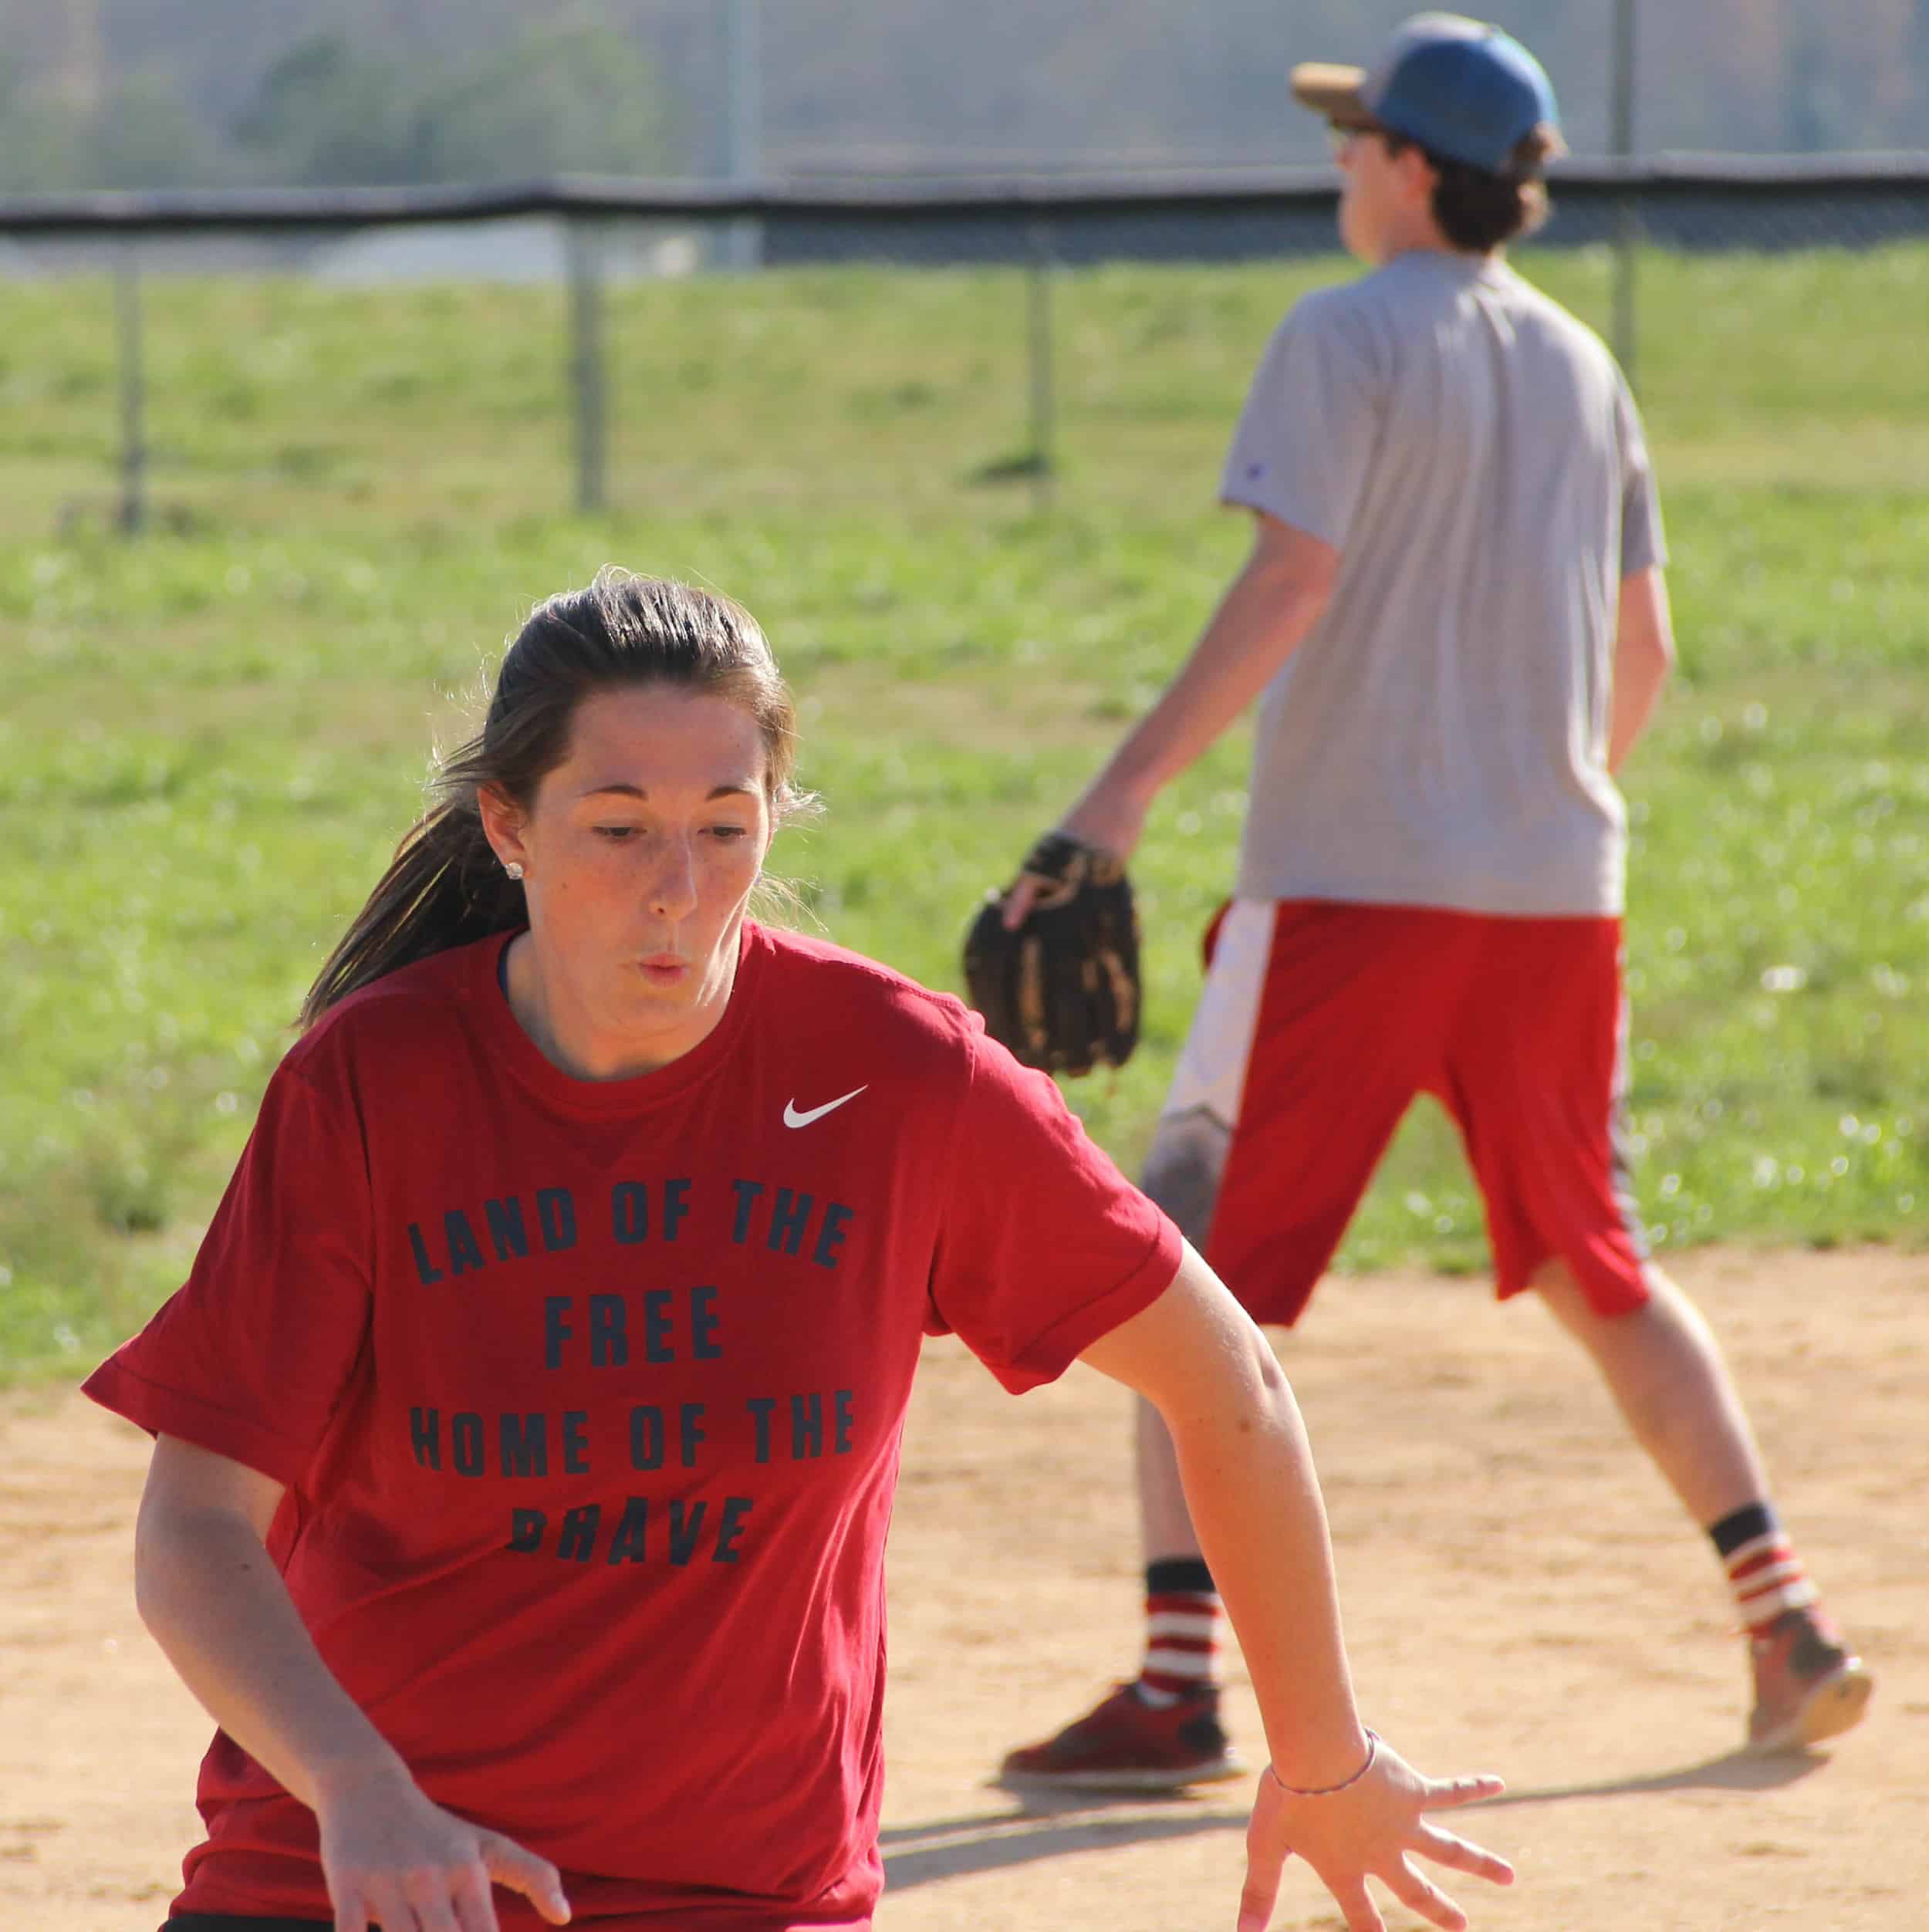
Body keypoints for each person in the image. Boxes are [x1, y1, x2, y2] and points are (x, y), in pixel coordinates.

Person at [86, 569, 1516, 1932]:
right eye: (619, 824)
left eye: (726, 824)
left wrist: (1322, 1761)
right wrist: (356, 1793)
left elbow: (1230, 1385)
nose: (679, 888)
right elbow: (197, 1523)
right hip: (358, 1878)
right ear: (508, 827)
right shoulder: (373, 1085)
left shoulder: (898, 1078)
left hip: (735, 1896)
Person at [996, 14, 1873, 1795]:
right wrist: (1539, 802)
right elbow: (1645, 650)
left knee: (1183, 1259)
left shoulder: (1339, 336)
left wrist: (1118, 793)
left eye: (1354, 142)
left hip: (1345, 888)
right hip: (1555, 892)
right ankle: (1778, 1613)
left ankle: (1176, 1678)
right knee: (1593, 1259)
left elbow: (1291, 575)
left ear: (1409, 168)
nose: (1339, 167)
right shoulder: (1582, 362)